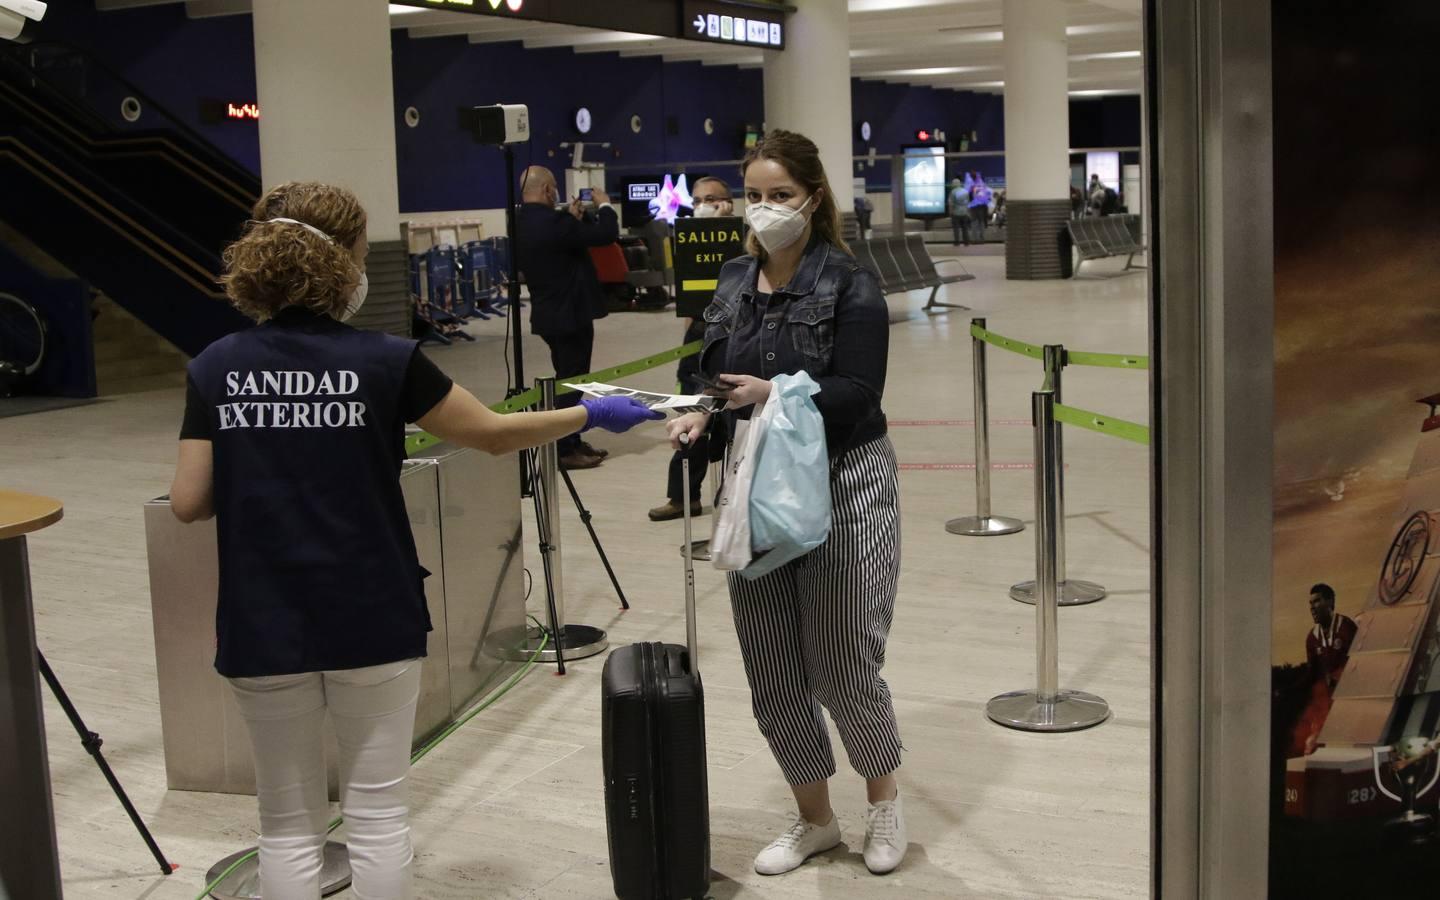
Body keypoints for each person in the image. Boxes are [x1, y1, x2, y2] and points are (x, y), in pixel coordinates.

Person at [168, 182, 660, 900]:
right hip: (372, 608)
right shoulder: (385, 359)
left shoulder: (216, 366)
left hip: (262, 616)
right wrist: (588, 414)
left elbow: (187, 502)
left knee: (287, 823)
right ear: (344, 261)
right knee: (375, 814)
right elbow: (491, 435)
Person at [668, 129, 908, 878]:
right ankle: (816, 820)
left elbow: (859, 394)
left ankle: (884, 803)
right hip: (754, 484)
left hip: (843, 481)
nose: (765, 208)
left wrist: (776, 393)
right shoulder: (736, 278)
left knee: (842, 663)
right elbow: (705, 364)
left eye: (780, 195)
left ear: (813, 198)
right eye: (755, 195)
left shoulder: (850, 283)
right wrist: (700, 411)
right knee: (772, 667)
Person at [516, 165, 619, 469]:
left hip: (548, 314)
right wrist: (604, 205)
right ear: (548, 190)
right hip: (570, 315)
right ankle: (563, 447)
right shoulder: (556, 222)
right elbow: (605, 234)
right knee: (571, 384)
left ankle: (570, 439)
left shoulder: (523, 222)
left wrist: (572, 220)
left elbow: (560, 247)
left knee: (565, 379)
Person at [650, 176, 734, 521]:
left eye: (711, 198)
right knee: (689, 417)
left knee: (732, 423)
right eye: (697, 199)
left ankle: (733, 498)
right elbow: (690, 303)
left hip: (735, 337)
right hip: (698, 335)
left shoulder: (745, 241)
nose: (703, 205)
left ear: (727, 201)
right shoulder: (688, 241)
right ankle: (683, 496)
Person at [1306, 583, 1358, 692]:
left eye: (1316, 601)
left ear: (1330, 601)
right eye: (1310, 603)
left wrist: (1337, 678)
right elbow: (1312, 676)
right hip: (1327, 698)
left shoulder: (1347, 627)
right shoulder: (1312, 638)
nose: (1312, 607)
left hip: (1349, 693)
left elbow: (1358, 665)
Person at [968, 173, 992, 243]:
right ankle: (982, 239)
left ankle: (975, 239)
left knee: (974, 223)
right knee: (981, 223)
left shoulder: (971, 187)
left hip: (974, 208)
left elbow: (969, 198)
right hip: (982, 208)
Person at [948, 177, 971, 247]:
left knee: (956, 228)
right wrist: (968, 211)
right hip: (964, 212)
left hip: (956, 212)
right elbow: (968, 202)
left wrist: (950, 212)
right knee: (965, 228)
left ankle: (957, 242)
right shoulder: (965, 191)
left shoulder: (953, 192)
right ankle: (966, 242)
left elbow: (951, 203)